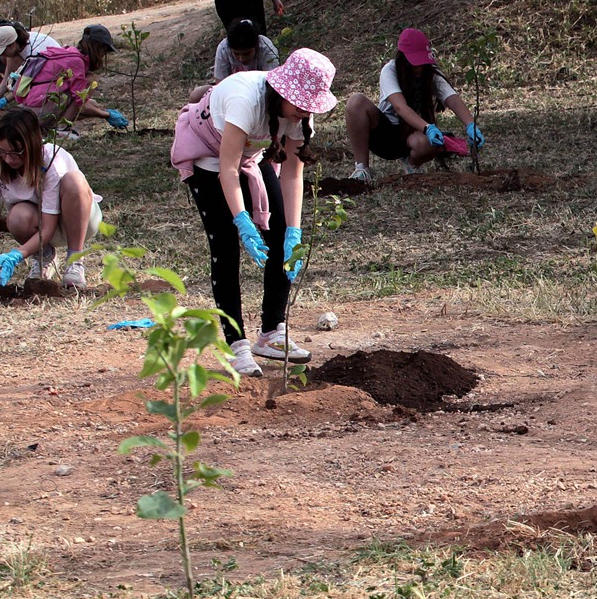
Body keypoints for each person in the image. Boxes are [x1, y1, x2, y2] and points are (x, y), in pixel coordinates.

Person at [171, 48, 337, 377]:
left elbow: (291, 173)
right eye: (301, 104)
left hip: (249, 159)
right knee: (225, 246)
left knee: (278, 234)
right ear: (282, 91)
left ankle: (272, 332)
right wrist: (243, 221)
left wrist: (294, 231)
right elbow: (227, 170)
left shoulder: (298, 116)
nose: (305, 112)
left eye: (310, 107)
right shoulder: (246, 101)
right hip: (210, 158)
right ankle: (236, 345)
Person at [0, 108, 102, 288]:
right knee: (17, 217)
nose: (8, 160)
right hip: (41, 226)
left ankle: (75, 259)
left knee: (74, 181)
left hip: (79, 220)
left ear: (31, 145)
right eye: (2, 152)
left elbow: (49, 227)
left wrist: (19, 254)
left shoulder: (51, 162)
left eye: (15, 153)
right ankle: (44, 257)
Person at [342, 28, 482, 181]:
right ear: (403, 59)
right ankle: (362, 169)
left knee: (425, 144)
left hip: (411, 133)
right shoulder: (390, 70)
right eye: (414, 63)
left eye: (422, 63)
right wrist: (427, 127)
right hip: (385, 135)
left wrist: (470, 125)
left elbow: (452, 98)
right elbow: (400, 107)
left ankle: (412, 164)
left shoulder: (431, 73)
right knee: (355, 102)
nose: (419, 68)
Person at [0, 25, 129, 131]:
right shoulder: (76, 61)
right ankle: (62, 129)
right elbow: (80, 103)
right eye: (104, 51)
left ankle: (54, 125)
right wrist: (107, 115)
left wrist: (100, 112)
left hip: (30, 109)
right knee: (89, 83)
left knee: (93, 104)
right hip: (37, 113)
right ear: (98, 48)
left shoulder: (68, 52)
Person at [190, 19, 280, 102]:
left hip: (259, 94)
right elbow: (220, 86)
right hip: (231, 92)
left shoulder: (266, 48)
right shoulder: (224, 48)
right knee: (196, 95)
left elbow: (271, 85)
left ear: (256, 46)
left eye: (246, 54)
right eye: (236, 54)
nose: (241, 59)